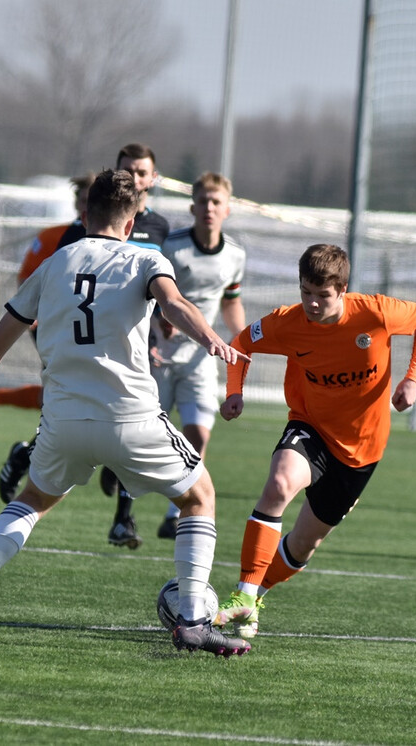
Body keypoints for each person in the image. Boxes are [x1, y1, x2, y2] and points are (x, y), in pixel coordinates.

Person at [0, 168, 250, 657]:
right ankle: (192, 620)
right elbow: (174, 302)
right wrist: (210, 339)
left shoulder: (56, 263)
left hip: (63, 422)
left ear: (83, 215)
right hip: (131, 418)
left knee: (33, 498)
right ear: (132, 220)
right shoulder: (146, 257)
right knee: (199, 497)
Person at [211, 244, 416, 639]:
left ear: (343, 289)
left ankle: (256, 598)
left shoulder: (375, 312)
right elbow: (241, 344)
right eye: (306, 292)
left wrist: (411, 379)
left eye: (323, 295)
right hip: (310, 427)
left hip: (362, 451)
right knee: (280, 484)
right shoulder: (287, 323)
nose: (313, 304)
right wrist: (235, 391)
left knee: (302, 545)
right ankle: (243, 593)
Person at [0, 144, 171, 554]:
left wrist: (163, 325)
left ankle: (123, 518)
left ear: (153, 179)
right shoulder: (78, 236)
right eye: (128, 171)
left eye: (142, 172)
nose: (135, 178)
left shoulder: (161, 229)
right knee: (100, 418)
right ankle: (30, 454)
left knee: (128, 416)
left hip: (136, 346)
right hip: (86, 344)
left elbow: (162, 292)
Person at [149, 171, 246, 540]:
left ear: (228, 209)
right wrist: (161, 316)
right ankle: (124, 501)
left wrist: (240, 340)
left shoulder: (235, 254)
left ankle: (176, 513)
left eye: (216, 202)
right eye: (203, 201)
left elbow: (231, 301)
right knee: (146, 430)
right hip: (159, 351)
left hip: (201, 357)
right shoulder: (171, 246)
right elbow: (151, 293)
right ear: (192, 207)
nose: (209, 208)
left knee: (198, 434)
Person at [0, 172, 95, 424]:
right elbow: (27, 277)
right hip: (54, 325)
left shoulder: (114, 242)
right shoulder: (54, 237)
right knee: (63, 391)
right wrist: (35, 315)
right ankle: (36, 451)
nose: (88, 206)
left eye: (93, 200)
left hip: (94, 327)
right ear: (76, 203)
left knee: (66, 393)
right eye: (84, 200)